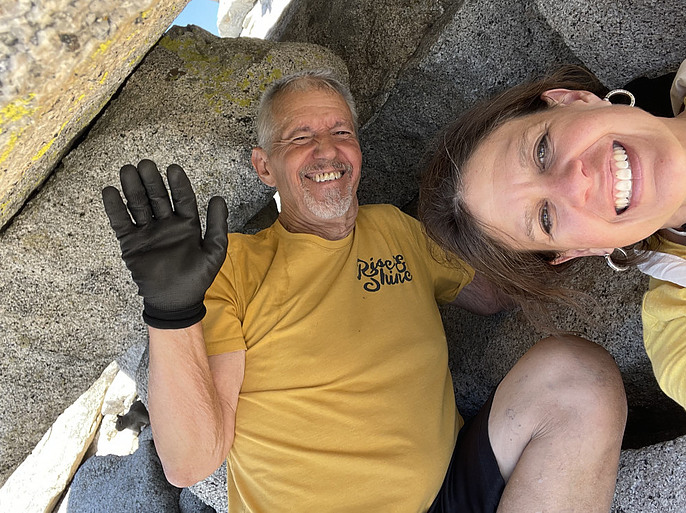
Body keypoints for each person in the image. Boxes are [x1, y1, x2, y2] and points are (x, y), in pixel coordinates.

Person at [103, 70, 627, 513]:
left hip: (447, 496)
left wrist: (595, 224)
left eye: (340, 132)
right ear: (264, 166)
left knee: (578, 375)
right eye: (299, 137)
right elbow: (192, 461)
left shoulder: (397, 229)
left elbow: (492, 294)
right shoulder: (230, 269)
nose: (326, 150)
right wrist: (171, 312)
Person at [419, 62, 686, 410]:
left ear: (576, 99)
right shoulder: (676, 336)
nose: (577, 182)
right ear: (584, 249)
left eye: (541, 150)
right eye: (545, 218)